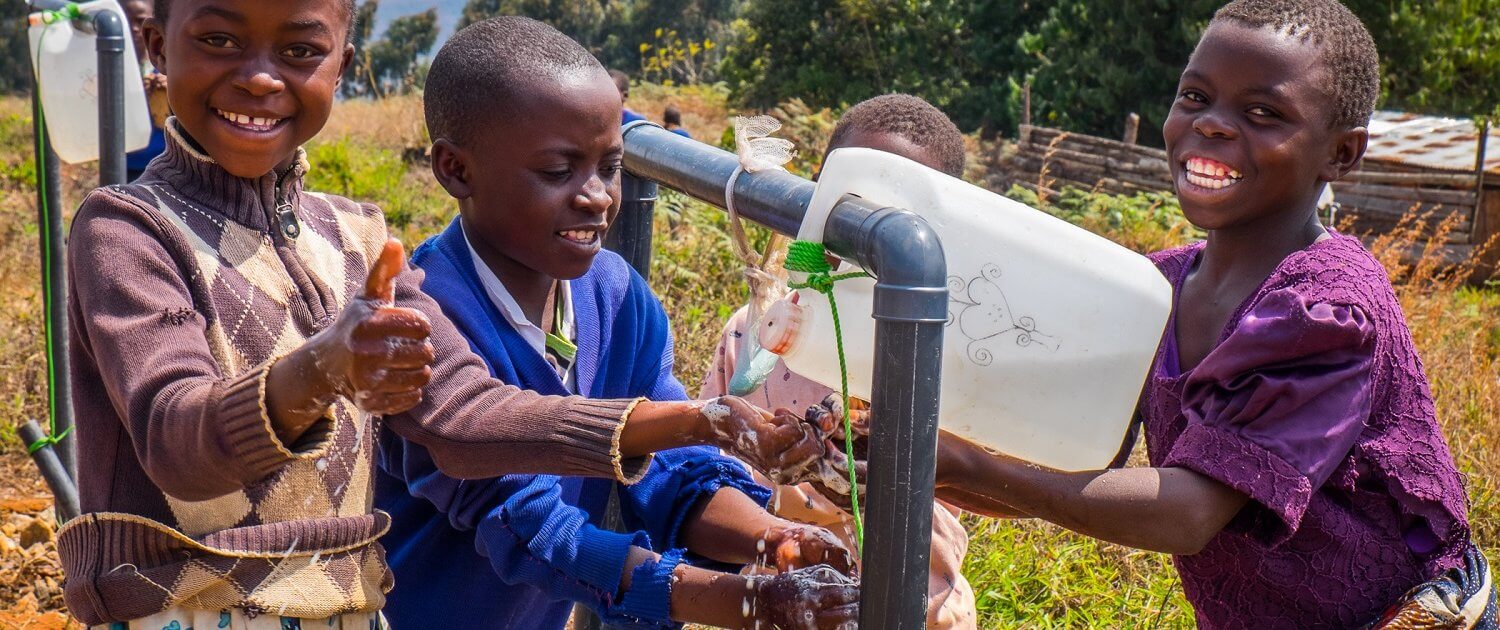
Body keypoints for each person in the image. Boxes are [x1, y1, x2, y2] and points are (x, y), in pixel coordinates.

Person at [59, 0, 830, 626]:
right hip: (185, 609)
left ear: (343, 68)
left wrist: (703, 423)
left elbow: (465, 419)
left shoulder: (358, 240)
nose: (261, 79)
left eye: (299, 51)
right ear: (157, 47)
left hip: (342, 611)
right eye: (221, 39)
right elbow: (173, 436)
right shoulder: (126, 230)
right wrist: (319, 369)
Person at [923, 1, 1494, 627]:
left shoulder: (1328, 311)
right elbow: (1070, 464)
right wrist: (920, 455)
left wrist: (963, 463)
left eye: (1263, 112)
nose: (1213, 125)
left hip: (1404, 616)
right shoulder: (1151, 289)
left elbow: (1188, 513)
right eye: (1194, 96)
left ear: (1342, 155)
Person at [374, 17, 859, 630]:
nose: (598, 196)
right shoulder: (423, 326)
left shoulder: (616, 296)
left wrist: (774, 539)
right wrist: (745, 603)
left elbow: (671, 470)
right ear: (455, 170)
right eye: (558, 171)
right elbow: (531, 528)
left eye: (610, 167)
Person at [701, 94, 978, 629]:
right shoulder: (758, 332)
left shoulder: (951, 356)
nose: (866, 229)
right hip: (778, 604)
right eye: (850, 196)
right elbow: (709, 465)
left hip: (917, 611)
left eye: (897, 209)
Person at [121, 0, 167, 181]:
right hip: (124, 167)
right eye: (124, 21)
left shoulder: (172, 66)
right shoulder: (107, 68)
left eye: (139, 20)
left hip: (164, 168)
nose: (132, 28)